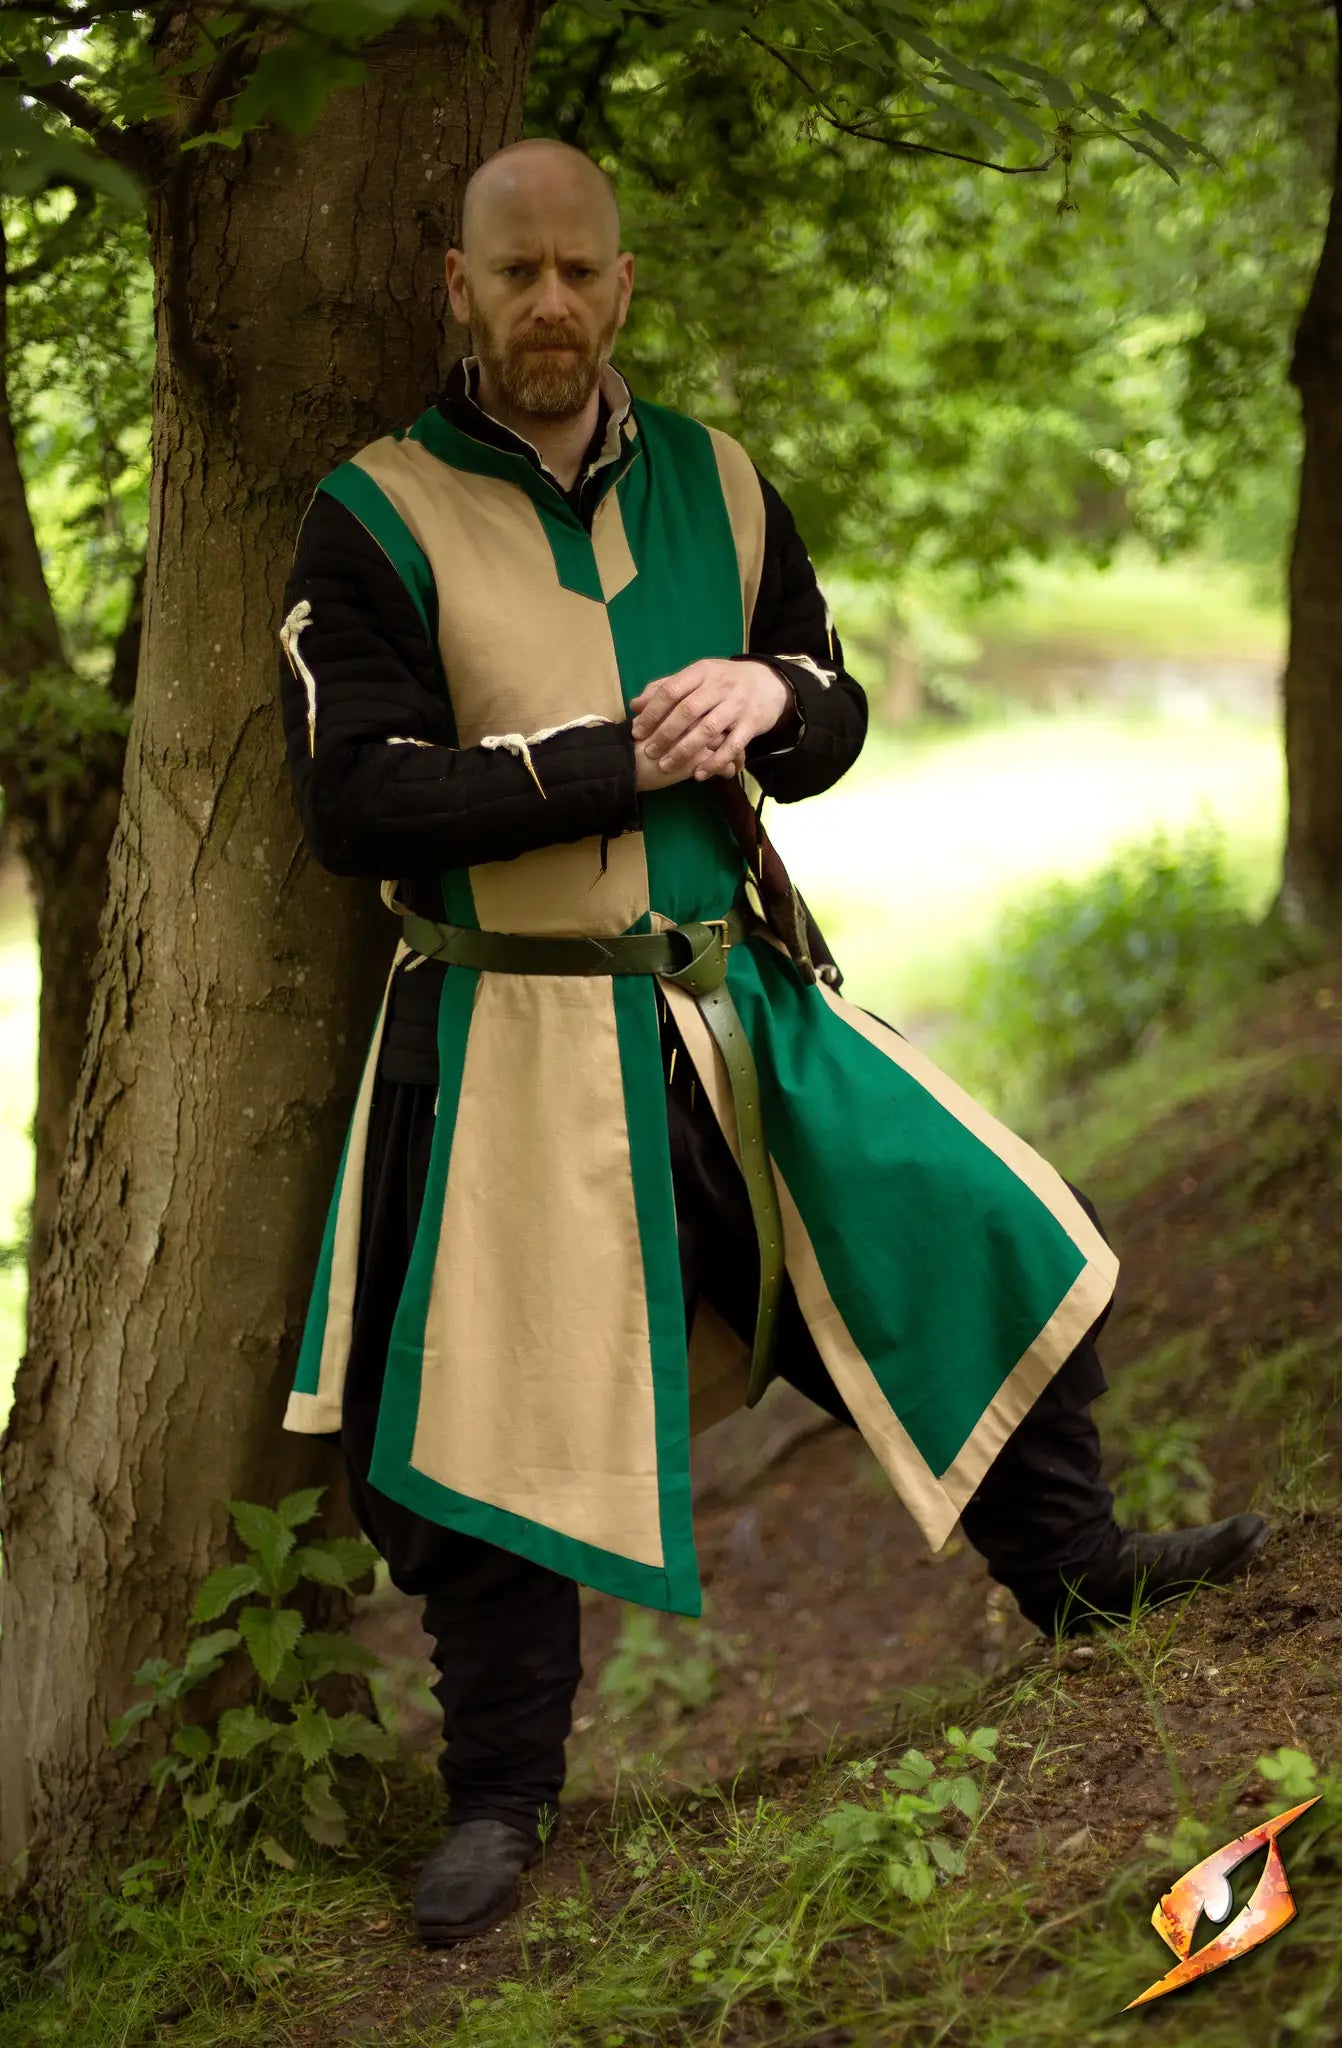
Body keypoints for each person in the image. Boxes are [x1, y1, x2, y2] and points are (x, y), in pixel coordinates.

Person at [274, 138, 1270, 1944]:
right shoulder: (377, 512)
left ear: (623, 284)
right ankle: (499, 1794)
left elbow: (828, 703)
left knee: (958, 1222)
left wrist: (774, 695)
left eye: (579, 269)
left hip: (736, 1005)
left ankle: (1075, 1575)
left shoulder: (722, 484)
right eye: (517, 272)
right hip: (504, 1034)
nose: (551, 303)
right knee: (488, 1407)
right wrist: (612, 759)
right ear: (458, 287)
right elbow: (356, 798)